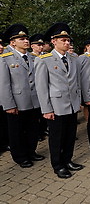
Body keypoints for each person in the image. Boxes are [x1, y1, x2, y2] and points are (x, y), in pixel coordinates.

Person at [35, 22, 84, 179]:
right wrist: (46, 109)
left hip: (71, 104)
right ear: (53, 41)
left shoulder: (73, 58)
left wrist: (79, 101)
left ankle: (68, 160)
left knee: (70, 135)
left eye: (68, 40)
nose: (67, 42)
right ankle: (58, 165)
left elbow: (77, 81)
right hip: (55, 106)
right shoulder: (44, 60)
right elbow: (42, 88)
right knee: (57, 137)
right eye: (63, 40)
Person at [0, 24, 44, 168]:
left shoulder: (32, 57)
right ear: (12, 42)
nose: (26, 41)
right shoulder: (5, 59)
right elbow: (4, 84)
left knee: (33, 129)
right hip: (17, 102)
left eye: (26, 38)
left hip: (33, 101)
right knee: (17, 131)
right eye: (22, 38)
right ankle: (20, 156)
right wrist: (9, 105)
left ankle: (31, 151)